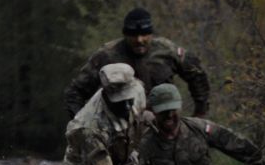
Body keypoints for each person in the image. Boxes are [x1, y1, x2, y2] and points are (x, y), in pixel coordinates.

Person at [64, 8, 210, 118]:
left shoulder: (168, 51)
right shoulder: (107, 56)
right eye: (133, 35)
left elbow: (197, 75)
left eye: (144, 34)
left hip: (163, 126)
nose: (139, 40)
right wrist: (82, 124)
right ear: (125, 34)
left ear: (151, 34)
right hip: (120, 129)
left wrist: (199, 114)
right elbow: (75, 92)